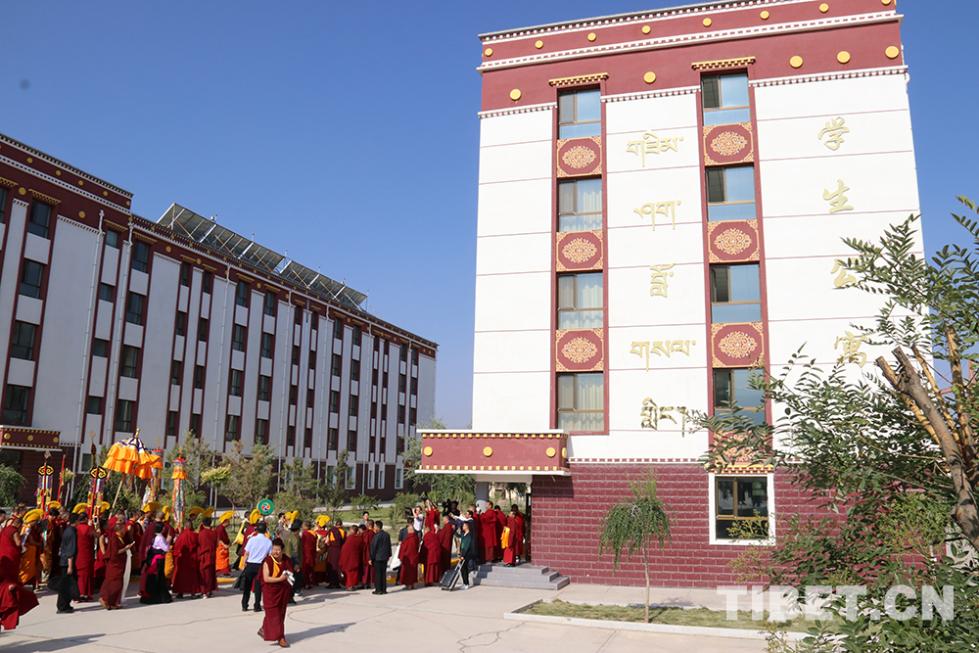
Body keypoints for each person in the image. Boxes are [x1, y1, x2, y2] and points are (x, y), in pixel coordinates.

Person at [0, 511, 38, 631]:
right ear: (19, 524)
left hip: (4, 555)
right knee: (9, 582)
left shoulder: (5, 529)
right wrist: (22, 543)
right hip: (11, 557)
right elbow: (18, 543)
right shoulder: (14, 531)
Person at [258, 538, 293, 648]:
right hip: (270, 593)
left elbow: (290, 574)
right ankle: (281, 637)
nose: (275, 552)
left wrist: (290, 577)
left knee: (280, 614)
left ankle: (264, 629)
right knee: (274, 616)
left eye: (278, 550)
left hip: (282, 592)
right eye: (273, 549)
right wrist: (280, 579)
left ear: (282, 550)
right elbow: (266, 578)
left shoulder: (286, 560)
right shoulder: (268, 561)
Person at [100, 520, 133, 610]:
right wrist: (126, 548)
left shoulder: (120, 537)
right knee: (114, 583)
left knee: (118, 583)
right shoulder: (114, 538)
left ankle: (113, 602)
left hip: (119, 563)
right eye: (124, 529)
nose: (125, 530)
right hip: (114, 564)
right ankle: (105, 599)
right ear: (119, 530)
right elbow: (115, 553)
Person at [241, 521, 272, 612]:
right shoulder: (268, 542)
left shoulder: (252, 540)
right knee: (258, 587)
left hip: (250, 564)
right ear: (266, 531)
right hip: (260, 565)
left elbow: (246, 553)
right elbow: (269, 555)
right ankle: (257, 606)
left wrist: (244, 563)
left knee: (247, 585)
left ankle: (244, 605)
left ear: (257, 530)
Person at [139, 529, 172, 604]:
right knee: (158, 578)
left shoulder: (155, 537)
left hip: (153, 559)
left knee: (154, 578)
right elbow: (166, 549)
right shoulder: (160, 538)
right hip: (158, 560)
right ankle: (159, 597)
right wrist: (168, 541)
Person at [57, 512, 81, 613]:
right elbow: (70, 551)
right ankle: (63, 606)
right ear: (76, 521)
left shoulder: (68, 530)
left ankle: (65, 604)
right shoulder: (72, 532)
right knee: (66, 585)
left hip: (64, 561)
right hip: (67, 562)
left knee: (66, 584)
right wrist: (70, 566)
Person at [171, 519, 200, 599]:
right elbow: (198, 546)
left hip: (182, 559)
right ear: (191, 526)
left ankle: (180, 593)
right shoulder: (195, 535)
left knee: (181, 576)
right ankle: (193, 593)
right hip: (192, 559)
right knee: (192, 577)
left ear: (185, 526)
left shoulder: (181, 536)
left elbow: (176, 547)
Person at [74, 513, 95, 600]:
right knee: (87, 574)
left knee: (81, 574)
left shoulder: (76, 528)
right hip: (87, 553)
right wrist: (93, 526)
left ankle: (81, 593)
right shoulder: (88, 528)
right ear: (86, 519)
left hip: (78, 553)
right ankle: (84, 593)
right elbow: (96, 535)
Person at [197, 516, 219, 597]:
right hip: (212, 555)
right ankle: (209, 591)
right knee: (210, 574)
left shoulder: (201, 533)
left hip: (203, 556)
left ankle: (204, 592)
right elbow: (217, 544)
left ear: (203, 524)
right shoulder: (214, 533)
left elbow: (198, 544)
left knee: (204, 574)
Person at [368, 520, 390, 595]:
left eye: (374, 526)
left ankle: (378, 590)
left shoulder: (377, 536)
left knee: (378, 574)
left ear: (377, 527)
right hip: (385, 557)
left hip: (378, 557)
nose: (374, 528)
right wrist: (388, 555)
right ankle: (384, 589)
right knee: (383, 574)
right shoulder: (387, 535)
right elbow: (389, 546)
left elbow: (373, 547)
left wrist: (371, 558)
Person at [338, 524, 363, 590]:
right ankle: (352, 585)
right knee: (354, 573)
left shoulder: (350, 538)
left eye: (350, 530)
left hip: (348, 558)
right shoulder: (359, 538)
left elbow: (344, 549)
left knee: (349, 572)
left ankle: (349, 586)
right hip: (355, 557)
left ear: (352, 530)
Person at [398, 523, 420, 589]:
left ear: (410, 530)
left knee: (407, 572)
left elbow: (403, 548)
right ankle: (412, 584)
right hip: (414, 557)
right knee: (413, 571)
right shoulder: (416, 538)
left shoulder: (408, 538)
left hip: (407, 558)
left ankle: (408, 585)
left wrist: (400, 556)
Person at [324, 520, 344, 588]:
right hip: (339, 550)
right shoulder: (343, 532)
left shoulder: (331, 531)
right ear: (341, 525)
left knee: (332, 566)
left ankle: (332, 583)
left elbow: (327, 542)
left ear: (335, 524)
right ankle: (337, 583)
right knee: (337, 566)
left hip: (332, 550)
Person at [300, 521, 317, 590]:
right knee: (311, 568)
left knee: (306, 568)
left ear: (306, 526)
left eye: (303, 526)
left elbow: (302, 544)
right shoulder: (314, 533)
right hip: (312, 552)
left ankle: (306, 583)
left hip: (306, 553)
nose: (302, 527)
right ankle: (311, 582)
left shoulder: (305, 533)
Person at [459, 520, 476, 590]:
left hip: (466, 554)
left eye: (464, 525)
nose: (462, 527)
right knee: (462, 569)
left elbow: (467, 545)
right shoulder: (464, 534)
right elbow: (462, 544)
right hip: (462, 553)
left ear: (467, 526)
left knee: (464, 569)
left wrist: (463, 555)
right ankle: (464, 583)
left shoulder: (469, 535)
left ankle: (466, 584)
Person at [360, 519, 375, 589]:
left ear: (368, 525)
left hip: (366, 553)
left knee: (365, 569)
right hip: (372, 553)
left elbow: (365, 544)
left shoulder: (366, 533)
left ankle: (365, 583)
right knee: (370, 569)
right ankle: (370, 583)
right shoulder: (373, 534)